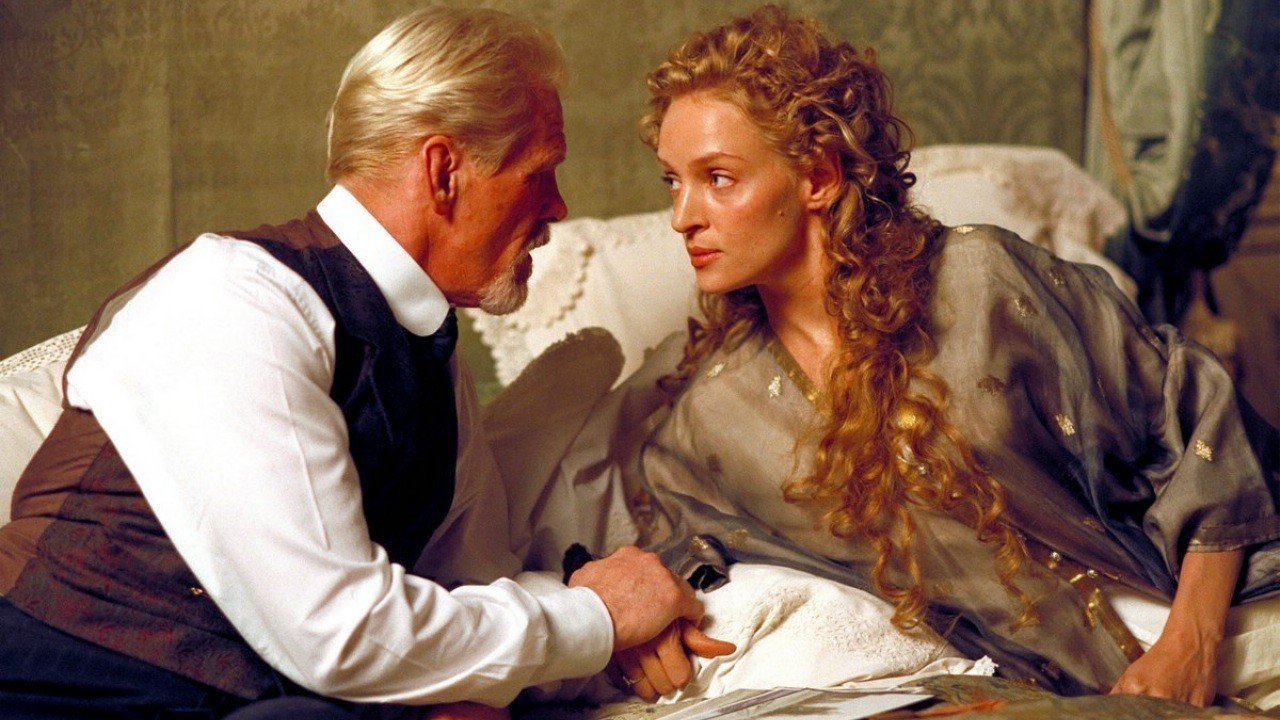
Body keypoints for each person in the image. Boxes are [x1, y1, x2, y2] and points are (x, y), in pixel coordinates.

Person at [0, 8, 728, 719]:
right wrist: (597, 617)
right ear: (444, 171)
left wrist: (617, 622)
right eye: (540, 173)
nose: (559, 207)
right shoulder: (236, 295)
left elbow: (468, 597)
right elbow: (340, 632)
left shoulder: (433, 358)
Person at [582, 5, 1279, 710]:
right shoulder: (713, 416)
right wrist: (614, 607)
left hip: (1233, 625)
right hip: (1050, 695)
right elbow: (673, 556)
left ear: (818, 176)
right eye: (672, 181)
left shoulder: (980, 281)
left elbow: (1202, 423)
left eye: (718, 178)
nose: (683, 216)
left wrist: (1191, 642)